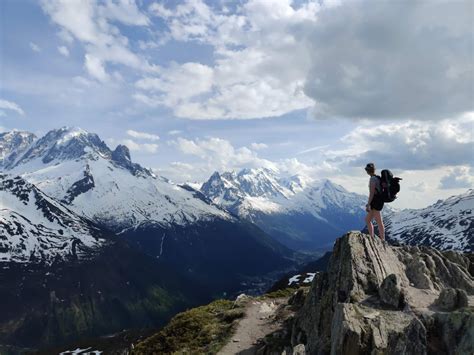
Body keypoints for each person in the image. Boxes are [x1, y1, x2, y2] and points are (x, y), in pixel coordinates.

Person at [364, 163, 385, 241]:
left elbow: (372, 193)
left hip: (375, 202)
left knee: (379, 221)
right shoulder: (378, 178)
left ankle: (382, 239)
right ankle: (372, 237)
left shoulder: (372, 179)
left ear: (368, 171)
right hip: (379, 201)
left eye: (366, 170)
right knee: (367, 220)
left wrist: (368, 204)